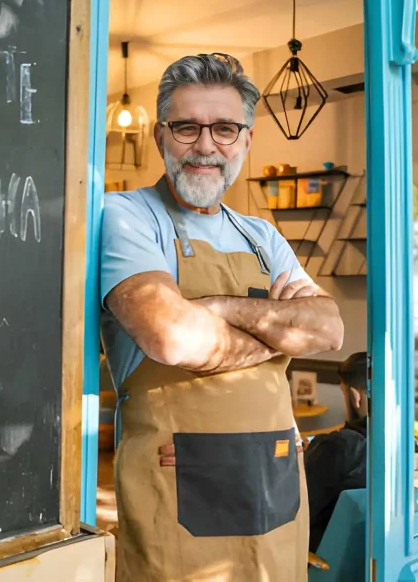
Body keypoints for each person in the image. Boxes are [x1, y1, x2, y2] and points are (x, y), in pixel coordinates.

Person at [100, 52, 345, 581]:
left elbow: (328, 328)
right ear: (161, 136)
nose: (206, 146)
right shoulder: (125, 215)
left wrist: (221, 308)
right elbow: (172, 337)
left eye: (225, 128)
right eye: (187, 127)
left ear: (247, 140)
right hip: (176, 496)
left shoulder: (262, 235)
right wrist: (278, 330)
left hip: (275, 485)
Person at [304, 352, 369, 553]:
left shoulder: (339, 447)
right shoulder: (402, 446)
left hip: (316, 561)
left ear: (354, 397)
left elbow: (292, 512)